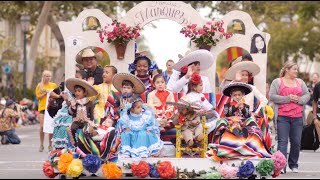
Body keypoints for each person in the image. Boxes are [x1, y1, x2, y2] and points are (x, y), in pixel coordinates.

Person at [269, 61, 310, 173]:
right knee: (282, 142)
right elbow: (272, 96)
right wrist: (288, 98)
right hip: (282, 117)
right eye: (294, 69)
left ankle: (293, 164)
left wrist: (299, 100)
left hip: (297, 117)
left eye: (297, 69)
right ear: (287, 70)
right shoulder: (277, 82)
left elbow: (307, 95)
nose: (296, 71)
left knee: (296, 142)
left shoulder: (300, 82)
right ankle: (281, 166)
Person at [65, 78, 98, 147]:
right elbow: (70, 113)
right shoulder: (75, 102)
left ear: (85, 92)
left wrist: (92, 122)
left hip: (87, 121)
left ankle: (86, 145)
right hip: (77, 121)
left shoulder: (89, 103)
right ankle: (74, 144)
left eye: (79, 91)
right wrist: (72, 107)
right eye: (75, 91)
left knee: (87, 130)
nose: (77, 93)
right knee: (71, 129)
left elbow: (92, 114)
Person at [35, 70, 57, 152]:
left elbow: (56, 95)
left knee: (50, 127)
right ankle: (41, 144)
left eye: (49, 76)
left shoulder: (53, 85)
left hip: (51, 108)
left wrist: (51, 93)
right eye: (46, 76)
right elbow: (38, 97)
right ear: (43, 76)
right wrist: (46, 92)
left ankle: (50, 145)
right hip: (42, 108)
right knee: (42, 126)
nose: (48, 78)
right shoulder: (39, 86)